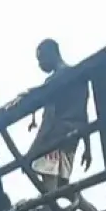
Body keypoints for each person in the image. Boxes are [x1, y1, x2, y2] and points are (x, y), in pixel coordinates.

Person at [24, 39, 93, 194]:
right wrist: (88, 147)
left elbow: (48, 119)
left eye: (40, 58)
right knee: (63, 187)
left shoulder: (53, 82)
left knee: (50, 195)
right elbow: (84, 113)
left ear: (51, 53)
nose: (40, 64)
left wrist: (32, 152)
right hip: (72, 140)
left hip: (54, 140)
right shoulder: (78, 75)